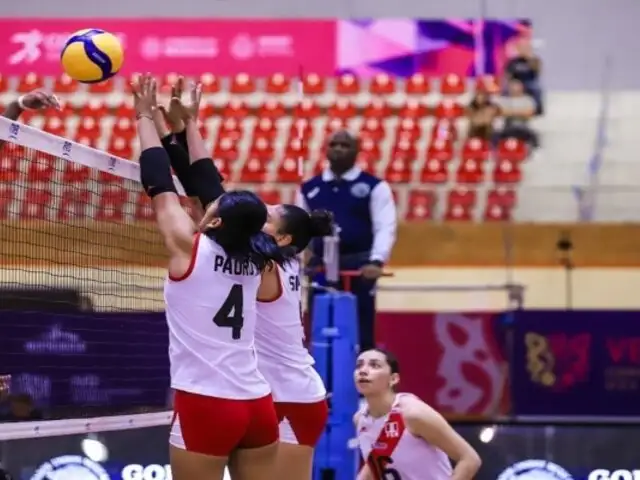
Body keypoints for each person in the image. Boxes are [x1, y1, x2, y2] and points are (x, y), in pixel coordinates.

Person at [132, 74, 283, 480]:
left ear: (214, 221)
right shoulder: (261, 258)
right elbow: (207, 188)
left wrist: (144, 116)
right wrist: (183, 128)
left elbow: (160, 185)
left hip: (206, 404)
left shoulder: (191, 247)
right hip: (256, 403)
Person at [297, 130, 397, 352]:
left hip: (360, 267)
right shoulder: (309, 188)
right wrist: (302, 259)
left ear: (357, 151)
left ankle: (364, 377)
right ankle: (320, 379)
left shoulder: (374, 186)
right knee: (319, 325)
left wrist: (377, 261)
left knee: (361, 327)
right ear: (326, 149)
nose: (339, 149)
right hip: (322, 266)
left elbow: (385, 226)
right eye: (334, 144)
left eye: (345, 145)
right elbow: (300, 227)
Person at [354, 349, 481, 480]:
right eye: (359, 365)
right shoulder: (360, 419)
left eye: (374, 365)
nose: (363, 371)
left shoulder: (414, 414)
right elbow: (375, 464)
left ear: (393, 379)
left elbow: (470, 459)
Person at [495, 78, 538, 149]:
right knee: (495, 135)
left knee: (533, 136)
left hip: (523, 126)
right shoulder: (504, 100)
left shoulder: (528, 100)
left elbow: (530, 113)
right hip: (507, 126)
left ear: (522, 88)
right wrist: (521, 112)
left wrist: (511, 112)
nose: (514, 89)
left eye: (517, 86)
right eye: (512, 87)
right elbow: (500, 112)